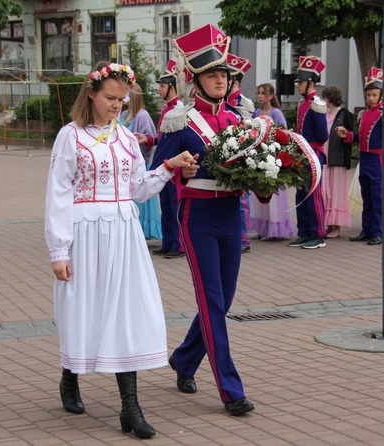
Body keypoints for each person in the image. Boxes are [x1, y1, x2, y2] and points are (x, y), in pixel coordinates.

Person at [44, 61, 196, 439]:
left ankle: (130, 407)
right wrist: (59, 250)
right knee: (84, 309)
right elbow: (58, 194)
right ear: (91, 94)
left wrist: (168, 167)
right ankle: (70, 376)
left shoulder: (126, 139)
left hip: (124, 234)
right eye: (110, 98)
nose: (117, 104)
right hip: (85, 233)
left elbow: (137, 189)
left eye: (122, 98)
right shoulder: (71, 136)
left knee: (124, 312)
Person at [152, 24, 266, 416]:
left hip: (231, 214)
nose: (221, 80)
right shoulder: (178, 119)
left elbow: (255, 173)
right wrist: (178, 168)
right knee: (213, 302)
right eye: (212, 74)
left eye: (224, 74)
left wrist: (266, 184)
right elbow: (157, 170)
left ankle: (184, 360)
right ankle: (231, 390)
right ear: (196, 80)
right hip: (197, 214)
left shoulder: (240, 117)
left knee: (223, 300)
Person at [337, 68, 384, 245]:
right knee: (367, 196)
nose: (370, 98)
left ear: (380, 95)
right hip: (365, 158)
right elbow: (361, 137)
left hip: (377, 159)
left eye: (374, 94)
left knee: (377, 197)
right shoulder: (365, 113)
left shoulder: (383, 113)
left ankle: (378, 231)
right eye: (368, 95)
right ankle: (367, 229)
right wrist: (347, 135)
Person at [287, 55, 329, 249]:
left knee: (313, 194)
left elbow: (323, 134)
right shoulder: (304, 103)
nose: (298, 86)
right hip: (303, 153)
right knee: (301, 193)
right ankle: (304, 231)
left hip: (313, 153)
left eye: (301, 82)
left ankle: (318, 234)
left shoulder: (316, 103)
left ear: (311, 83)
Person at [149, 59, 187, 259]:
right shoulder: (166, 109)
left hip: (174, 167)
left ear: (172, 87)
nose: (159, 90)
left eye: (162, 86)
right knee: (165, 207)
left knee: (175, 207)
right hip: (163, 164)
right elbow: (162, 139)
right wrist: (148, 139)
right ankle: (167, 241)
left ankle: (178, 245)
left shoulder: (179, 109)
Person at [250, 82, 296, 241]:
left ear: (270, 96)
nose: (260, 96)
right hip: (259, 156)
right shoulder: (257, 112)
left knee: (272, 193)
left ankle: (274, 227)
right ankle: (263, 227)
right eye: (259, 93)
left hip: (272, 156)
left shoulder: (276, 113)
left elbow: (284, 133)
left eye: (263, 93)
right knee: (260, 192)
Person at [119, 83, 161, 239]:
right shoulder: (123, 114)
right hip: (124, 165)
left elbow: (149, 139)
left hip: (139, 163)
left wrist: (139, 149)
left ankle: (142, 233)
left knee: (140, 203)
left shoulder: (142, 115)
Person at [226, 53, 255, 253]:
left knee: (242, 200)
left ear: (234, 81)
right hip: (226, 155)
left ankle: (243, 239)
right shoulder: (224, 101)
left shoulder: (244, 104)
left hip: (241, 154)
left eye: (227, 77)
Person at [320, 85, 353, 239]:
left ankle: (337, 225)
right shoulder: (324, 114)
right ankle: (329, 223)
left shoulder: (344, 114)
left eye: (324, 97)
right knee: (326, 191)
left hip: (337, 157)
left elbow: (350, 135)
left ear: (330, 98)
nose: (323, 100)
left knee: (336, 191)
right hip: (326, 155)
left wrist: (344, 134)